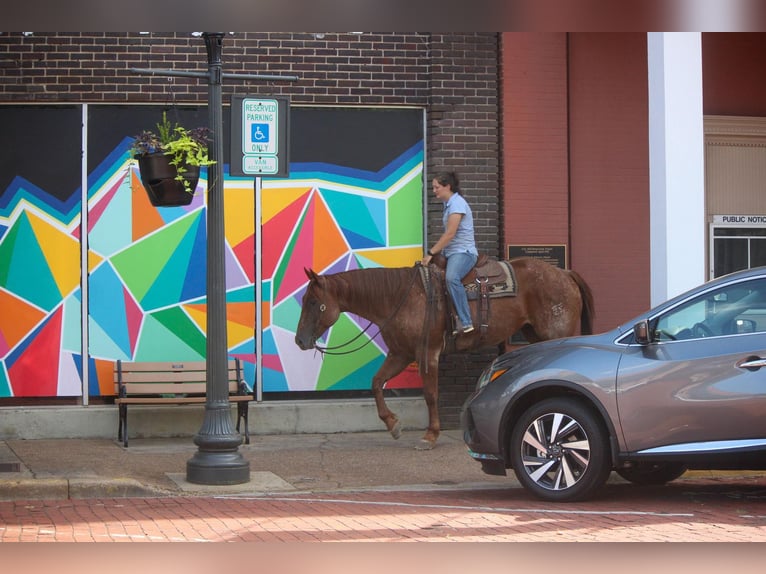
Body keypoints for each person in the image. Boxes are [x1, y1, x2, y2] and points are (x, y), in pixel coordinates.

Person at [420, 171, 478, 335]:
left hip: (463, 252)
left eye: (437, 187)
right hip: (450, 252)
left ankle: (465, 321)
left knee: (452, 278)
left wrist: (431, 252)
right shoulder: (448, 205)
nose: (434, 191)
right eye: (433, 187)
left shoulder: (457, 204)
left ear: (448, 186)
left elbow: (450, 234)